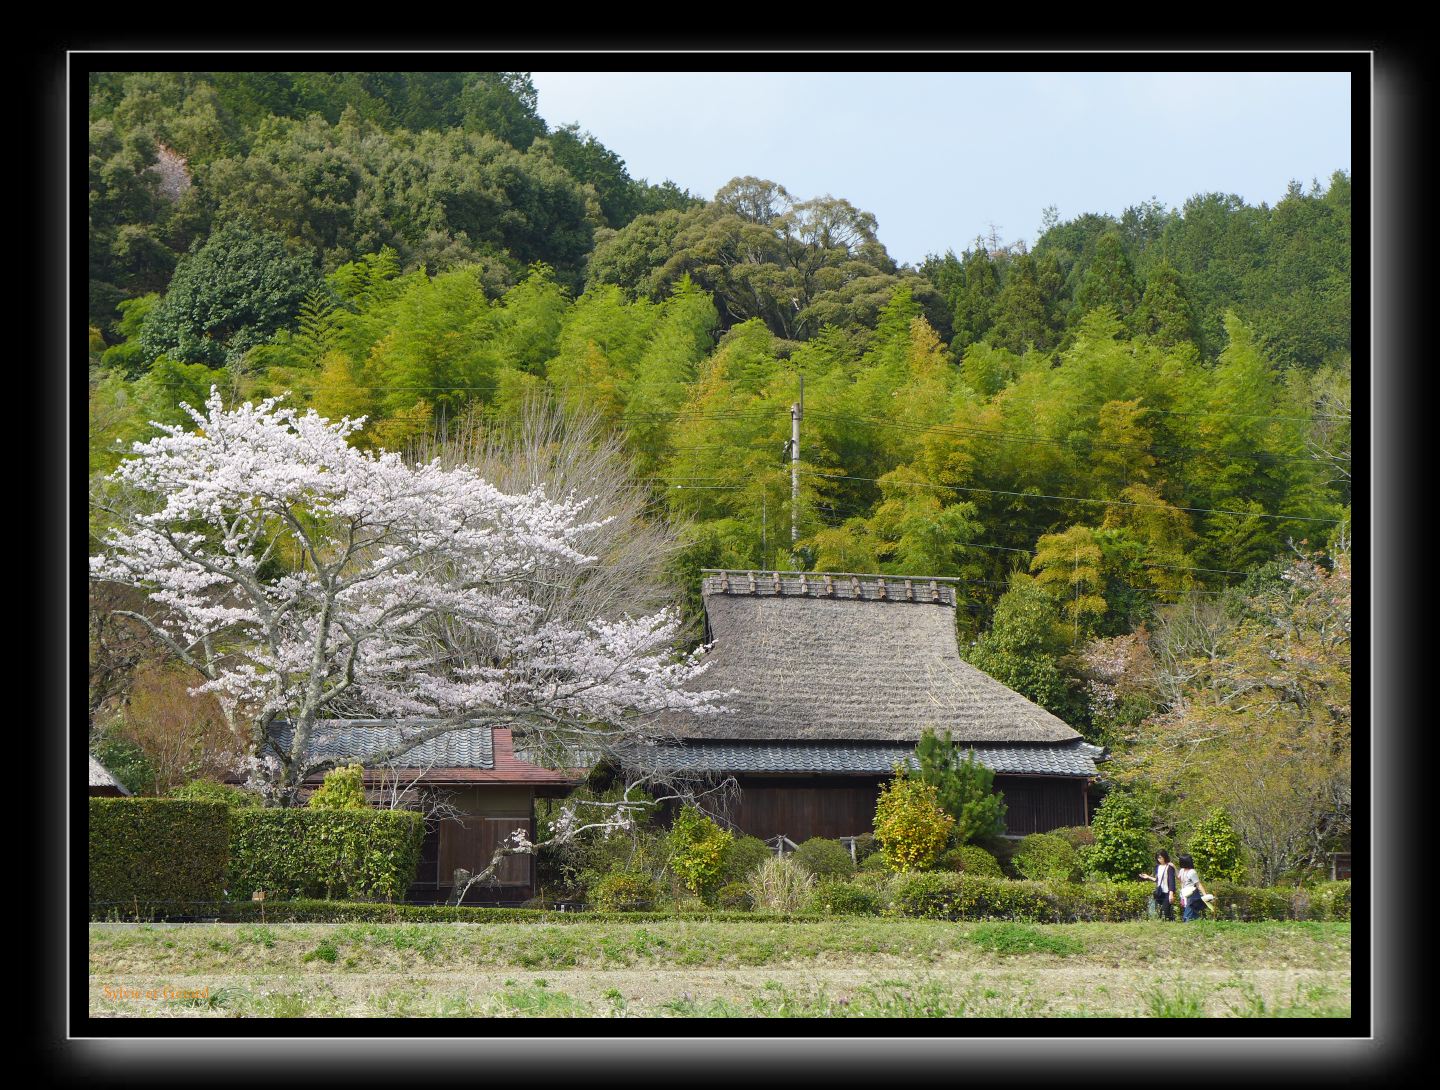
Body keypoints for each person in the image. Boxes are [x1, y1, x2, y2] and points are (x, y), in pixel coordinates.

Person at [1139, 850, 1177, 921]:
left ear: (1165, 857)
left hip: (1167, 892)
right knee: (1160, 912)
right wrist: (1148, 877)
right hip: (1159, 892)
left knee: (1165, 912)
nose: (1159, 859)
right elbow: (1158, 879)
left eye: (1161, 857)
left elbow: (1171, 881)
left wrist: (1171, 893)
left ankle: (1171, 923)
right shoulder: (1157, 867)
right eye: (1158, 858)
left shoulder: (1169, 867)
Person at [1176, 854, 1210, 921]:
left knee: (1188, 913)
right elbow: (1180, 879)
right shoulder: (1182, 870)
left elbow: (1198, 884)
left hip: (1192, 895)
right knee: (1191, 913)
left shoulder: (1192, 872)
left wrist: (1205, 895)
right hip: (1185, 894)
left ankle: (1187, 926)